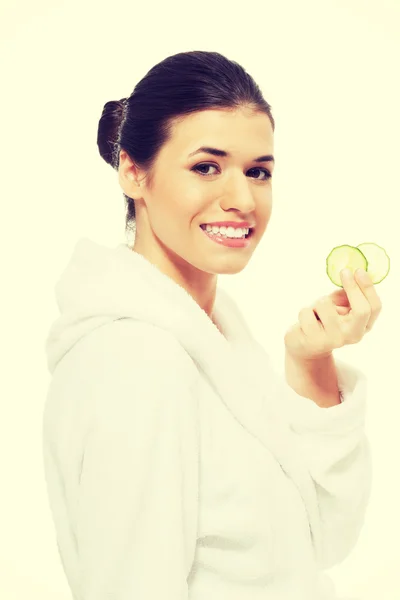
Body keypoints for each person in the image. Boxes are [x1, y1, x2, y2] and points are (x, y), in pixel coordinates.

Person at [42, 50, 382, 600]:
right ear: (133, 171)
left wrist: (310, 363)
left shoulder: (217, 339)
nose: (243, 199)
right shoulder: (136, 359)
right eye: (206, 166)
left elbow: (320, 542)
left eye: (258, 172)